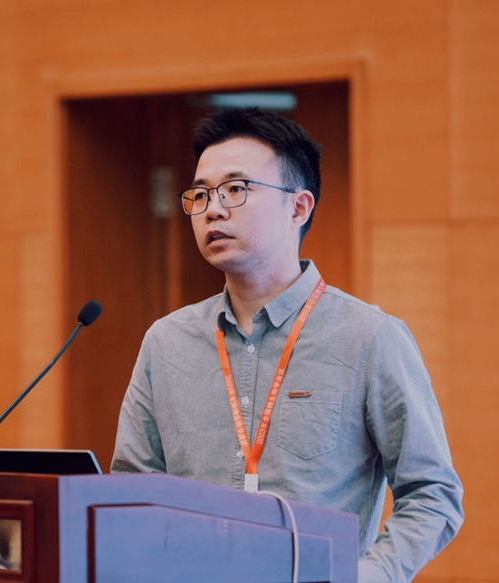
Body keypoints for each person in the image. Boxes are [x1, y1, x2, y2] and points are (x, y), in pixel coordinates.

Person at [110, 107, 464, 582]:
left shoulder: (369, 338)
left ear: (298, 207)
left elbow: (433, 493)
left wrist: (368, 574)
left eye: (236, 189)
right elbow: (132, 490)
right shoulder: (166, 342)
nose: (213, 209)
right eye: (201, 194)